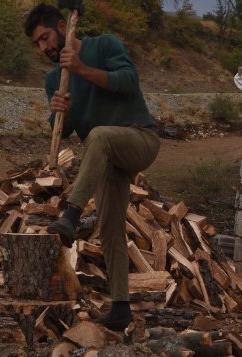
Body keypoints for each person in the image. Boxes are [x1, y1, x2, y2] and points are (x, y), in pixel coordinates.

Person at [24, 4, 161, 330]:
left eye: (45, 37)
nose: (44, 47)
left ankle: (70, 216)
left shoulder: (105, 45)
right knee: (111, 227)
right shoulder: (54, 78)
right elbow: (65, 129)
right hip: (106, 160)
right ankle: (121, 308)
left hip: (139, 139)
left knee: (98, 136)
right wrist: (61, 110)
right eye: (38, 44)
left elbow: (129, 81)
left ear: (62, 26)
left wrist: (83, 69)